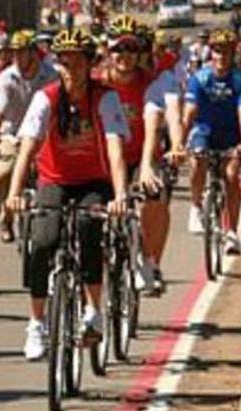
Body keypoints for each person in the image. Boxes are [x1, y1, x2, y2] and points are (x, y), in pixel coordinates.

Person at [6, 28, 130, 361]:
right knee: (43, 241)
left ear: (89, 65)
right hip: (54, 180)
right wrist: (14, 194)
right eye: (62, 63)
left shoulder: (105, 97)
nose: (69, 70)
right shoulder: (46, 97)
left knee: (90, 229)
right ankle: (36, 323)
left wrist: (120, 196)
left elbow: (116, 149)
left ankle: (93, 311)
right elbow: (28, 147)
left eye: (76, 63)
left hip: (93, 181)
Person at [97, 16, 182, 295]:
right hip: (103, 160)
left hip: (141, 154)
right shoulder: (93, 81)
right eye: (118, 48)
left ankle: (150, 261)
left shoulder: (152, 84)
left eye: (131, 48)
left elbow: (157, 122)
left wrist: (151, 164)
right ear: (107, 51)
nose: (124, 56)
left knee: (154, 196)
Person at [0, 29, 58, 243]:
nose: (16, 57)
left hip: (43, 136)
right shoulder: (6, 78)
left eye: (21, 52)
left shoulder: (51, 75)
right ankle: (5, 218)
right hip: (13, 135)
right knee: (5, 171)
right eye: (13, 52)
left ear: (33, 53)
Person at [184, 29, 241, 254]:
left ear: (233, 53)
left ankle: (231, 232)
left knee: (231, 176)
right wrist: (179, 143)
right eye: (217, 51)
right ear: (211, 54)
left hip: (230, 134)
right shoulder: (199, 79)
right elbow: (189, 111)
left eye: (226, 52)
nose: (221, 57)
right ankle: (196, 207)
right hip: (203, 131)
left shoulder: (237, 80)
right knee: (197, 160)